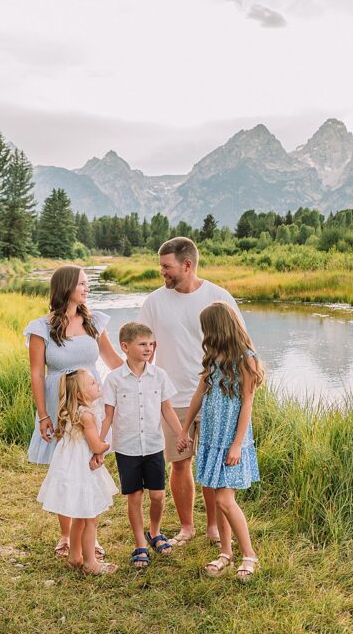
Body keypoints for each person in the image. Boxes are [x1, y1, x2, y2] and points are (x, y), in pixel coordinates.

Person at [137, 238, 244, 548]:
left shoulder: (219, 297)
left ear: (187, 265)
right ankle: (187, 527)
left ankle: (214, 527)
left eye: (166, 266)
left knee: (211, 464)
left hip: (215, 399)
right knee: (180, 463)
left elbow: (240, 343)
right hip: (173, 399)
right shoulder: (154, 302)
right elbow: (144, 350)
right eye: (161, 266)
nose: (162, 272)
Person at [24, 265, 123, 559]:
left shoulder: (94, 322)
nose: (87, 288)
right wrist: (43, 414)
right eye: (82, 283)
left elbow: (113, 360)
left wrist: (141, 373)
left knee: (90, 463)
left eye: (87, 283)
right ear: (66, 287)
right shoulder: (41, 328)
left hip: (91, 402)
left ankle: (90, 536)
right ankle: (66, 536)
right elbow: (36, 373)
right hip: (59, 405)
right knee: (65, 466)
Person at [176, 301, 262, 580]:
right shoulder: (213, 356)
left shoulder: (246, 358)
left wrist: (237, 444)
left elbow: (247, 403)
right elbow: (198, 394)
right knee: (215, 496)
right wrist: (184, 429)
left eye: (207, 329)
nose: (205, 335)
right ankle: (226, 553)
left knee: (225, 499)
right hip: (211, 438)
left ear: (218, 328)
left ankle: (249, 555)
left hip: (231, 440)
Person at [99, 322, 184, 569]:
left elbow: (167, 409)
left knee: (158, 495)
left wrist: (181, 434)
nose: (148, 348)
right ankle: (140, 544)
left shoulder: (159, 376)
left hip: (154, 445)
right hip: (127, 448)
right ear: (125, 347)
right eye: (142, 344)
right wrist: (100, 444)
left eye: (150, 344)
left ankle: (154, 532)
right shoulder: (114, 379)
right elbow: (107, 415)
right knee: (134, 497)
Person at [36, 369, 118, 575]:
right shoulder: (87, 415)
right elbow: (96, 445)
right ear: (81, 394)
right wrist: (107, 445)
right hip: (82, 470)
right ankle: (90, 563)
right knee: (91, 518)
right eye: (92, 383)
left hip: (71, 468)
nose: (97, 384)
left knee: (80, 516)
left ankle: (75, 557)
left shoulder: (76, 412)